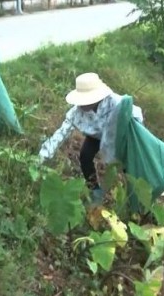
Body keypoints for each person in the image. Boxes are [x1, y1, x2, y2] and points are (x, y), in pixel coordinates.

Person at [38, 73, 143, 204]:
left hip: (118, 135)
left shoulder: (115, 102)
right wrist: (42, 157)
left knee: (128, 166)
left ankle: (134, 198)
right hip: (96, 136)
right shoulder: (76, 113)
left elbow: (136, 116)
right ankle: (95, 190)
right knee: (85, 156)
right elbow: (61, 133)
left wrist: (133, 139)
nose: (82, 104)